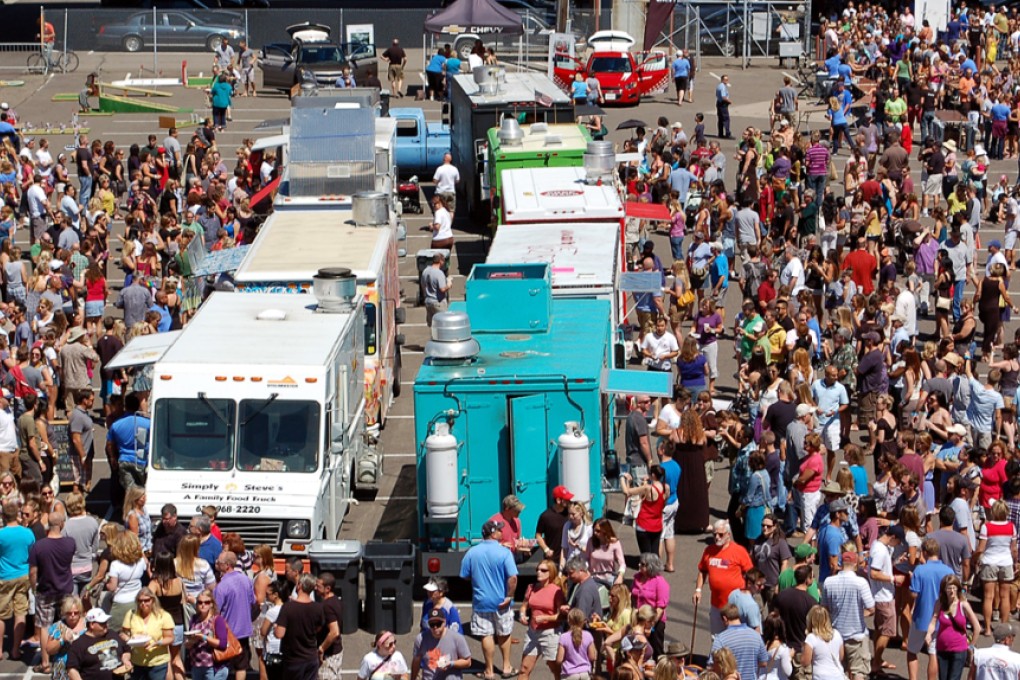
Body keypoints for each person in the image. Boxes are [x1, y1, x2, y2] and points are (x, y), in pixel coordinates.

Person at [459, 519, 518, 680]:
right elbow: (512, 578)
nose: (501, 532)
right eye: (499, 530)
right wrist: (509, 596)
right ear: (493, 533)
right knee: (504, 633)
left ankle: (489, 670)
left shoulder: (472, 552)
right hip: (502, 602)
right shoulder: (504, 553)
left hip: (481, 601)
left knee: (486, 635)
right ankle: (506, 667)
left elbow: (464, 575)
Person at [30, 510, 76, 675]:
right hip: (65, 588)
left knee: (44, 626)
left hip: (45, 590)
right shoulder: (70, 543)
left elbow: (33, 572)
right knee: (68, 622)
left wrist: (34, 587)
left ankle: (45, 663)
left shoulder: (38, 546)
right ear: (62, 524)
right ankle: (69, 656)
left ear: (48, 525)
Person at [821, 552, 874, 680]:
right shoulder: (861, 583)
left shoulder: (829, 582)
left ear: (840, 563)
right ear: (855, 564)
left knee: (839, 671)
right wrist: (860, 614)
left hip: (835, 635)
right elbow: (871, 608)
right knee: (859, 672)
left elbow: (825, 608)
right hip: (856, 635)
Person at [695, 519, 753, 635]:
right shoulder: (709, 551)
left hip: (735, 605)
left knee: (736, 637)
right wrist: (698, 590)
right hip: (716, 604)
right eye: (714, 534)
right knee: (717, 637)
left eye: (720, 534)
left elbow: (751, 574)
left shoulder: (739, 551)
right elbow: (702, 571)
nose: (717, 537)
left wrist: (748, 593)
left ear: (728, 535)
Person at [909, 539, 954, 680]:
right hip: (941, 619)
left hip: (921, 617)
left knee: (912, 651)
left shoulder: (920, 570)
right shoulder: (948, 571)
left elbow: (913, 593)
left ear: (924, 552)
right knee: (933, 652)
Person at [926, 575, 980, 680]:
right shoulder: (940, 603)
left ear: (958, 589)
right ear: (944, 589)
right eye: (949, 588)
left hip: (959, 649)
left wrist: (971, 646)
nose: (951, 591)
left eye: (954, 588)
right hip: (942, 648)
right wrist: (928, 634)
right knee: (943, 678)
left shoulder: (963, 605)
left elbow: (977, 627)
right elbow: (933, 621)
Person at [0, 500, 36, 661]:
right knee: (20, 613)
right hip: (23, 576)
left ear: (3, 516)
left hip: (5, 576)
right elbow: (33, 553)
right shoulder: (28, 533)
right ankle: (15, 650)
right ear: (18, 515)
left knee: (1, 616)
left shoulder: (1, 534)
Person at [975, 500, 1016, 636]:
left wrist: (975, 558)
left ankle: (987, 628)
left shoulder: (987, 527)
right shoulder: (1011, 527)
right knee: (1005, 597)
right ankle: (1004, 628)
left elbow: (981, 548)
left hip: (990, 562)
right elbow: (1014, 549)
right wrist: (1014, 562)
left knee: (988, 597)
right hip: (1006, 562)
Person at [518, 560, 564, 680]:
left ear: (551, 573)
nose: (539, 572)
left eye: (543, 570)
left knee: (555, 669)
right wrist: (522, 614)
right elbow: (524, 605)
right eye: (538, 569)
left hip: (550, 634)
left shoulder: (556, 591)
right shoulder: (531, 587)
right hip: (532, 633)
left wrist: (546, 618)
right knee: (524, 669)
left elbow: (561, 616)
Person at [213, 551, 255, 680]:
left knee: (222, 664)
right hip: (244, 630)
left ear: (227, 565)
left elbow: (215, 612)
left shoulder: (221, 587)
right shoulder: (246, 580)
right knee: (241, 666)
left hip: (227, 633)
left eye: (218, 562)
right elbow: (252, 601)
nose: (216, 564)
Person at [275, 574, 324, 680]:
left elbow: (279, 634)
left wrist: (275, 627)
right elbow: (319, 628)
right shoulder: (318, 608)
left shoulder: (288, 608)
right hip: (311, 658)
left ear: (299, 586)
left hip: (293, 660)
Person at [121, 588, 174, 680]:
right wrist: (129, 640)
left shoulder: (163, 615)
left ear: (153, 600)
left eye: (146, 600)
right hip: (137, 661)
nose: (143, 603)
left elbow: (170, 638)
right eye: (140, 601)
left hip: (157, 661)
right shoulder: (131, 614)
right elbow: (123, 633)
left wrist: (157, 643)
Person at [67, 608, 132, 680]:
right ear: (92, 624)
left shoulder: (113, 634)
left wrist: (125, 660)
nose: (106, 625)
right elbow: (72, 670)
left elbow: (126, 650)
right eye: (102, 623)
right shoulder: (79, 644)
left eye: (106, 622)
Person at [710, 604, 768, 680]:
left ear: (725, 619)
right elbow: (764, 663)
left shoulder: (720, 639)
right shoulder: (756, 636)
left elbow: (711, 665)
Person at [107, 393, 150, 493]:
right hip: (141, 461)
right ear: (138, 406)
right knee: (142, 489)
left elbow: (109, 444)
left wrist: (113, 458)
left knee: (130, 491)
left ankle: (129, 507)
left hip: (124, 460)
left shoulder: (116, 424)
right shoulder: (147, 423)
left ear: (125, 406)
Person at [411, 608, 471, 680]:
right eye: (432, 624)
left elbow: (467, 662)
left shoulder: (457, 638)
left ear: (444, 622)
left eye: (438, 624)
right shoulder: (421, 639)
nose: (435, 627)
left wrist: (451, 664)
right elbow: (416, 661)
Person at [631, 553, 669, 658]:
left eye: (643, 564)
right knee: (638, 649)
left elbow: (660, 607)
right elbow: (633, 596)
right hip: (639, 619)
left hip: (654, 622)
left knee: (656, 649)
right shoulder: (637, 578)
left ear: (650, 566)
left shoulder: (660, 582)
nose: (639, 565)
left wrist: (650, 626)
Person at [46, 595, 87, 680]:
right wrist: (62, 639)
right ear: (64, 612)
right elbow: (49, 650)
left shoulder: (88, 625)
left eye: (76, 613)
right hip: (62, 669)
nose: (72, 615)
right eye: (69, 613)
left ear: (80, 612)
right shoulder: (57, 626)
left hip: (83, 668)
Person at [803, 606, 845, 680]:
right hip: (837, 676)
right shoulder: (837, 634)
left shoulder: (811, 638)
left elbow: (806, 662)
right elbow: (841, 656)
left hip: (820, 677)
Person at [314, 573, 343, 680]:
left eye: (318, 586)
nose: (315, 588)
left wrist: (321, 648)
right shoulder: (335, 600)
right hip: (336, 651)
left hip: (329, 654)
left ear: (327, 588)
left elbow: (334, 632)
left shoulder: (327, 606)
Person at [535, 485, 572, 563]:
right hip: (553, 558)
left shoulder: (570, 514)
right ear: (558, 500)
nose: (569, 501)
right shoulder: (546, 516)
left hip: (569, 557)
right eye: (566, 499)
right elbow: (538, 535)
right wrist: (546, 549)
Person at [556, 608, 595, 680]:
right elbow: (592, 657)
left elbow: (559, 660)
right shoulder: (588, 635)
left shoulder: (564, 637)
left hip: (569, 673)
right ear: (583, 621)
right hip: (584, 673)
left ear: (568, 621)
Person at [716, 74, 732, 139]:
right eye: (725, 80)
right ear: (722, 80)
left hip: (719, 103)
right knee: (726, 119)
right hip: (723, 104)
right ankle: (727, 133)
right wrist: (729, 101)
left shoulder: (719, 86)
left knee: (720, 119)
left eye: (727, 79)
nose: (727, 81)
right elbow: (723, 97)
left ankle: (720, 133)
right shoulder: (722, 87)